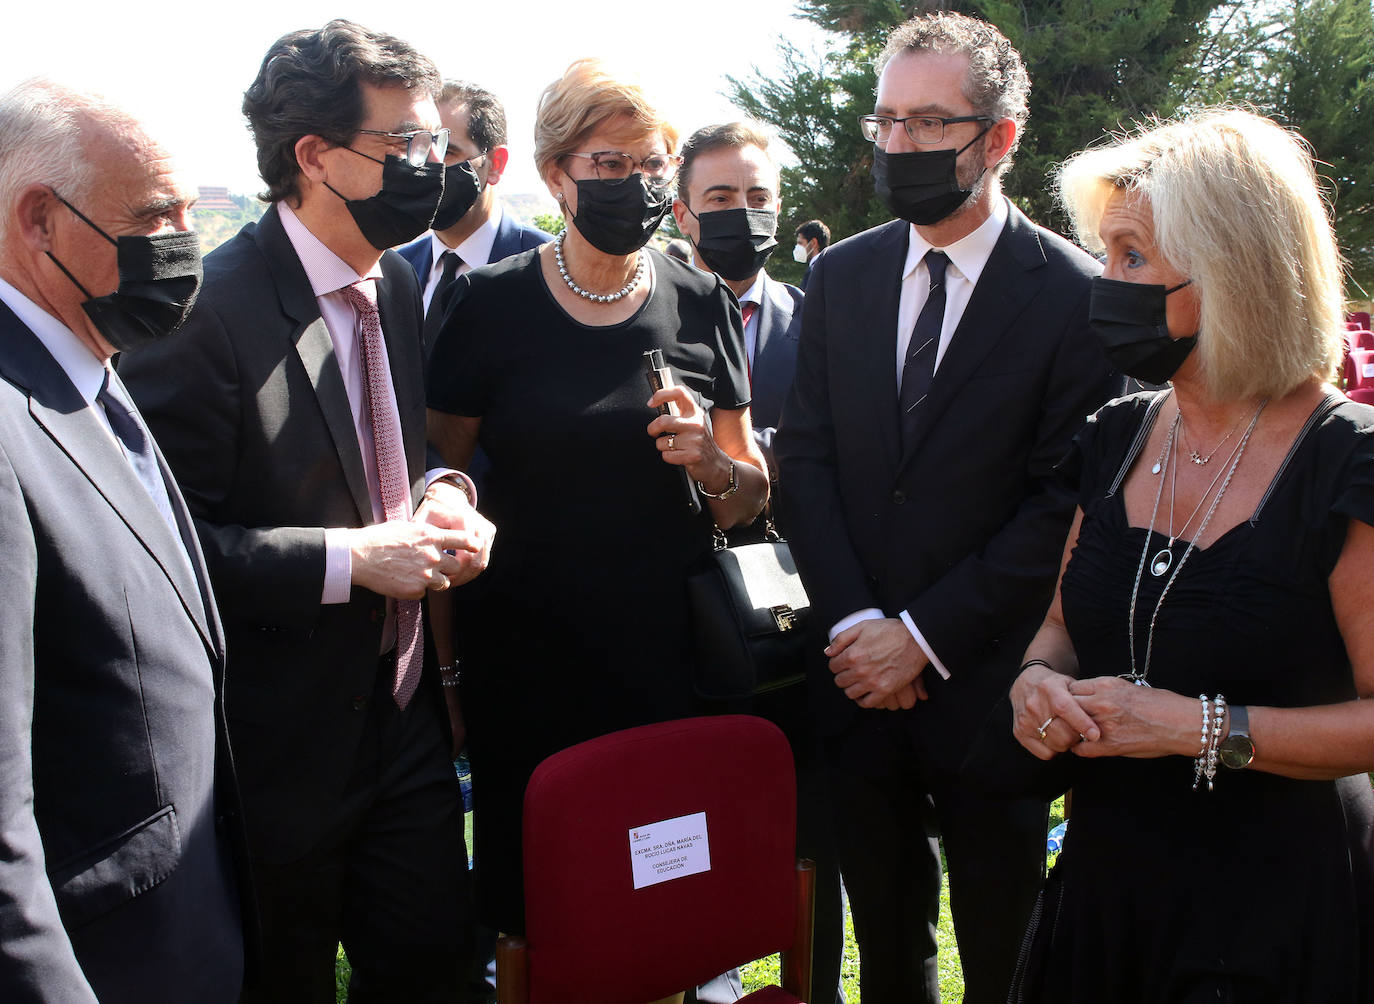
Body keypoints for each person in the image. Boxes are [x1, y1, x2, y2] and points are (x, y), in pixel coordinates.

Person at [120, 21, 495, 1004]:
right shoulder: (206, 315)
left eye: (432, 145)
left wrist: (446, 496)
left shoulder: (398, 281)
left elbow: (397, 457)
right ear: (314, 157)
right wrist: (348, 560)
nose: (429, 168)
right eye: (401, 145)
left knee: (435, 970)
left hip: (404, 724)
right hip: (271, 752)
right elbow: (160, 552)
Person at [774, 12, 1117, 1003]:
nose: (900, 146)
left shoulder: (1073, 293)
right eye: (888, 122)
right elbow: (809, 458)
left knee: (1006, 940)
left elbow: (1065, 500)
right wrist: (854, 626)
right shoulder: (840, 274)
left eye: (930, 123)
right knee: (887, 945)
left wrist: (920, 637)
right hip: (852, 675)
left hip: (991, 688)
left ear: (999, 137)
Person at [1008, 108, 1374, 1003]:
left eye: (1132, 256)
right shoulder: (1117, 435)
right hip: (1108, 896)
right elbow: (1060, 625)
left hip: (1283, 916)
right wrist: (1034, 684)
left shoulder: (1348, 459)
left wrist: (1191, 726)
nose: (1105, 281)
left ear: (1236, 273)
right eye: (1105, 254)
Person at [427, 59, 768, 948]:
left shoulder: (700, 303)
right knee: (537, 900)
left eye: (649, 166)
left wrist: (711, 467)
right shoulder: (486, 304)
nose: (634, 185)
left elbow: (750, 494)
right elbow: (439, 492)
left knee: (655, 890)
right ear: (556, 176)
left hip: (667, 660)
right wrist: (450, 671)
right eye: (607, 166)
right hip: (523, 662)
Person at [0, 79, 245, 1002]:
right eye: (153, 215)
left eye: (189, 210)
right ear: (39, 221)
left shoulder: (89, 362)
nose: (185, 241)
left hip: (183, 934)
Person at [671, 120, 846, 1004]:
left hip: (796, 615)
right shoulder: (649, 316)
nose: (741, 216)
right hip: (682, 617)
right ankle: (710, 973)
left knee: (811, 819)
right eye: (720, 200)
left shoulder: (820, 319)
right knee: (699, 814)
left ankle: (812, 980)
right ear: (683, 212)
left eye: (758, 199)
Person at [397, 80, 553, 354]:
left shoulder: (549, 265)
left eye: (448, 151)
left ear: (496, 163)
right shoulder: (396, 270)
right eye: (421, 149)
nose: (430, 166)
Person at [793, 218, 828, 290]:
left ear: (813, 243)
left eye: (800, 243)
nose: (797, 247)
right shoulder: (832, 266)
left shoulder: (814, 271)